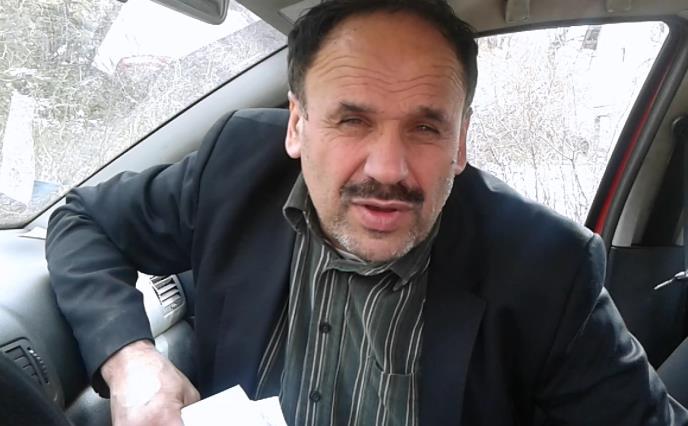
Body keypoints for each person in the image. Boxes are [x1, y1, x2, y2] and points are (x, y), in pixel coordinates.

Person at [45, 0, 688, 425]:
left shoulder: (547, 265)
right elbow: (84, 220)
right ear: (296, 125)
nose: (387, 168)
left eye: (426, 128)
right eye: (352, 120)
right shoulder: (237, 167)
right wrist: (131, 360)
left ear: (461, 141)